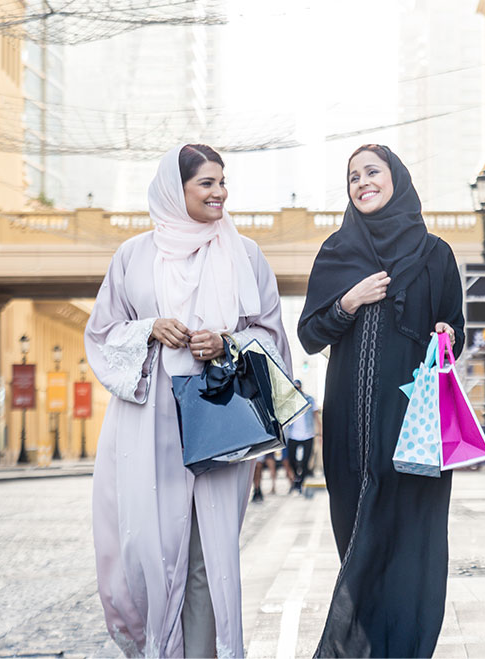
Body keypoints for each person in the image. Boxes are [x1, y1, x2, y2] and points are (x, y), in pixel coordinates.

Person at [85, 143, 292, 658]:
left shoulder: (246, 255)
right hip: (146, 425)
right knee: (144, 552)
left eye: (223, 182)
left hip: (219, 422)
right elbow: (101, 334)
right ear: (174, 191)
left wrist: (226, 343)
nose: (220, 192)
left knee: (208, 556)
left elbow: (272, 335)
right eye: (206, 183)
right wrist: (148, 329)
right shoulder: (133, 256)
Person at [298, 144, 464, 658]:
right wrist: (348, 302)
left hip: (414, 426)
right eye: (353, 177)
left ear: (397, 179)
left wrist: (446, 333)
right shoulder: (336, 252)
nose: (362, 182)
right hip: (350, 430)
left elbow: (456, 326)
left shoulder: (435, 254)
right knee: (357, 541)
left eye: (373, 172)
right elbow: (308, 334)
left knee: (412, 544)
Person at [286, 380, 321, 493]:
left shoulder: (309, 400)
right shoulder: (289, 401)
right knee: (291, 460)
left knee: (306, 461)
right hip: (293, 435)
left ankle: (300, 483)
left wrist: (320, 434)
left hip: (308, 435)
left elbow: (316, 417)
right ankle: (296, 477)